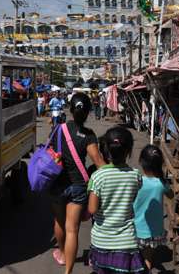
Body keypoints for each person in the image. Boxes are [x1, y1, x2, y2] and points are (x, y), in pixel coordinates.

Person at [49, 93, 107, 274]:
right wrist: (117, 171)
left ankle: (63, 254)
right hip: (78, 185)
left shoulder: (57, 130)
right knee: (72, 230)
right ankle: (68, 272)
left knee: (59, 221)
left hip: (57, 183)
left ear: (70, 109)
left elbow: (47, 153)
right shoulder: (88, 134)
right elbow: (98, 162)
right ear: (89, 111)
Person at [87, 127, 149, 274]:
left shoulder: (97, 177)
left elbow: (92, 210)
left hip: (101, 240)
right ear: (129, 151)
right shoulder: (136, 175)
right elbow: (130, 200)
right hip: (127, 241)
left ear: (106, 148)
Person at [133, 145, 174, 271]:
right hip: (153, 230)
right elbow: (171, 195)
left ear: (140, 162)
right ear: (160, 164)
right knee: (147, 260)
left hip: (134, 228)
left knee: (132, 258)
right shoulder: (162, 183)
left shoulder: (136, 180)